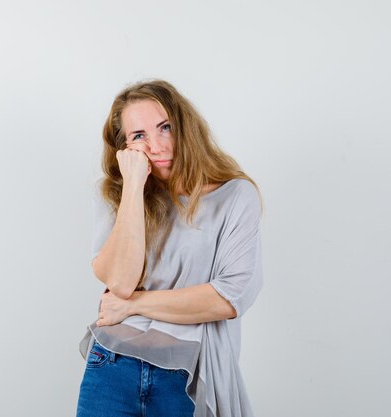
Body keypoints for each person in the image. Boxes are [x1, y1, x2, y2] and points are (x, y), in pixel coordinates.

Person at [76, 79, 264, 417]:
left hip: (187, 374)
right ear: (125, 148)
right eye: (139, 136)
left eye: (165, 128)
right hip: (112, 367)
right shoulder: (118, 196)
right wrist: (134, 186)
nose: (157, 146)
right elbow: (119, 282)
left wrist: (131, 306)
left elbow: (227, 298)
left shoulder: (235, 196)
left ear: (185, 126)